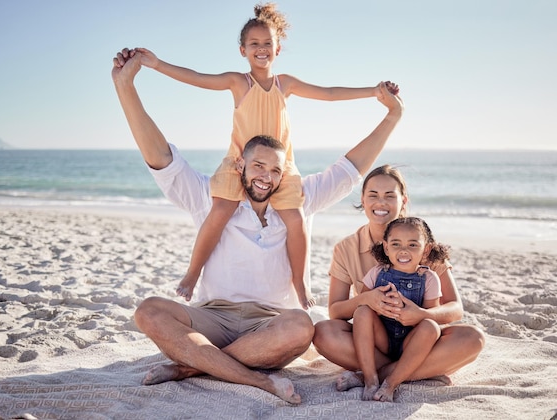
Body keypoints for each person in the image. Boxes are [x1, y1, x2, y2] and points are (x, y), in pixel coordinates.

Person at [112, 47, 403, 404]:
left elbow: (350, 167)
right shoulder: (211, 197)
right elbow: (160, 156)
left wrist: (392, 117)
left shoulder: (299, 200)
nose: (266, 177)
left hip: (269, 326)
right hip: (211, 317)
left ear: (285, 173)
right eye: (258, 167)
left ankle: (193, 366)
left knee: (301, 326)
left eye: (275, 170)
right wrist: (125, 87)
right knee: (148, 311)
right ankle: (252, 377)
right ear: (241, 167)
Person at [128, 2, 390, 310]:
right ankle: (192, 274)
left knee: (295, 219)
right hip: (239, 162)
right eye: (254, 44)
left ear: (278, 49)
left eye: (267, 44)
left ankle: (300, 285)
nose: (261, 49)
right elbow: (197, 77)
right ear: (243, 50)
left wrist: (372, 91)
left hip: (282, 167)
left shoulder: (285, 84)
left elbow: (329, 92)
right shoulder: (239, 83)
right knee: (220, 212)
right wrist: (157, 64)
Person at [312, 165, 485, 395]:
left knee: (473, 339)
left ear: (403, 201)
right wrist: (368, 299)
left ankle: (371, 376)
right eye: (373, 195)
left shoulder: (421, 242)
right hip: (373, 342)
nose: (380, 202)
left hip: (420, 340)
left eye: (390, 195)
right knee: (323, 333)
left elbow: (455, 309)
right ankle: (417, 372)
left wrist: (422, 314)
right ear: (362, 200)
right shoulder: (346, 248)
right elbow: (336, 311)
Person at [353, 217, 449, 401]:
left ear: (426, 249)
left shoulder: (429, 278)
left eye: (413, 245)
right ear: (386, 247)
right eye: (396, 244)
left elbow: (431, 317)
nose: (404, 250)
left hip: (410, 343)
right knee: (362, 311)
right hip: (382, 340)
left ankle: (391, 383)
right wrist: (378, 307)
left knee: (431, 326)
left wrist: (416, 315)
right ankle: (370, 379)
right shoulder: (377, 273)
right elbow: (360, 304)